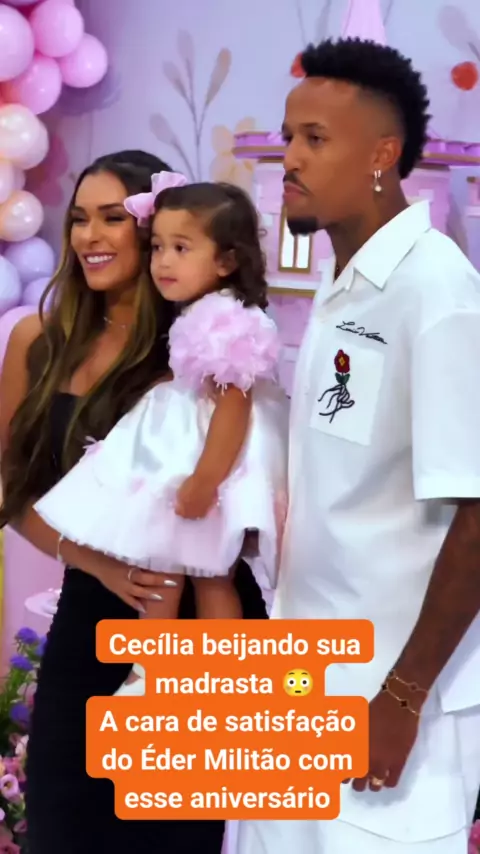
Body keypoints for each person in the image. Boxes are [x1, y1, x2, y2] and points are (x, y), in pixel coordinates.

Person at [236, 37, 480, 854]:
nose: (290, 158)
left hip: (392, 713)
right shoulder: (343, 289)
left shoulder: (437, 292)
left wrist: (401, 698)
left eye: (315, 138)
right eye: (288, 136)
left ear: (381, 155)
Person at [0, 149, 267, 854]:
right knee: (63, 826)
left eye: (112, 218)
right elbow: (11, 489)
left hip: (197, 626)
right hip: (90, 618)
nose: (90, 236)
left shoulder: (194, 345)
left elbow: (247, 473)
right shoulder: (37, 341)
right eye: (78, 218)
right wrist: (97, 563)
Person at [34, 172, 289, 696]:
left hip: (204, 455)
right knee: (173, 560)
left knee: (205, 571)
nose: (163, 262)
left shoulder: (223, 319)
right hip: (186, 441)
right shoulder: (199, 311)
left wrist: (206, 479)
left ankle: (206, 669)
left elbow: (233, 406)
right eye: (157, 247)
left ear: (227, 261)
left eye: (180, 248)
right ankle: (156, 666)